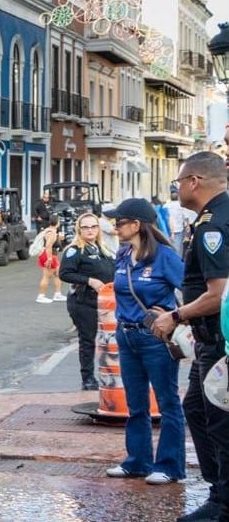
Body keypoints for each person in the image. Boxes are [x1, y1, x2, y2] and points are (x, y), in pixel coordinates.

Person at [148, 152, 229, 521]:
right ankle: (218, 491)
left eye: (180, 181)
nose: (177, 188)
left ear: (194, 181)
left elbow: (218, 294)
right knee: (197, 409)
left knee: (219, 419)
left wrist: (175, 317)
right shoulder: (212, 218)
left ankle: (223, 503)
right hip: (209, 339)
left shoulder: (213, 226)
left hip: (218, 341)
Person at [103, 197, 185, 485]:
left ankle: (169, 465)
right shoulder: (123, 255)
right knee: (135, 404)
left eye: (120, 222)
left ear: (137, 225)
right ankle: (137, 461)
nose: (115, 227)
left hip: (155, 338)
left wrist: (176, 316)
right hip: (126, 336)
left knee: (167, 403)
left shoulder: (165, 256)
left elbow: (193, 290)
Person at [59, 212, 116, 390]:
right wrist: (89, 280)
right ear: (79, 229)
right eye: (85, 227)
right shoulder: (74, 250)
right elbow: (65, 273)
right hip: (83, 302)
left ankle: (108, 374)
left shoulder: (102, 248)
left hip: (104, 302)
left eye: (93, 226)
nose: (90, 230)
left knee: (108, 340)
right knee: (88, 340)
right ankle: (88, 378)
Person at [35, 215, 64, 303]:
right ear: (57, 222)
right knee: (47, 276)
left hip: (49, 255)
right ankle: (41, 296)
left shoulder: (50, 231)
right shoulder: (52, 233)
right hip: (49, 255)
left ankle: (57, 294)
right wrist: (50, 258)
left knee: (57, 274)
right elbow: (48, 246)